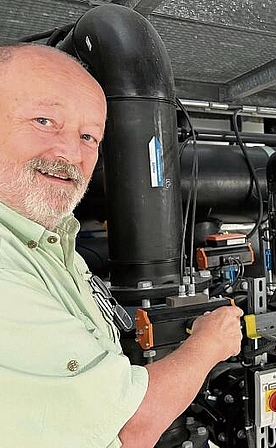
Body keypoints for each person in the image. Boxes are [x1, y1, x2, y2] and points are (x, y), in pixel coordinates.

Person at [0, 44, 244, 446]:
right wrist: (208, 344)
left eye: (89, 136)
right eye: (44, 121)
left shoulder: (49, 239)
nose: (70, 153)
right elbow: (129, 427)